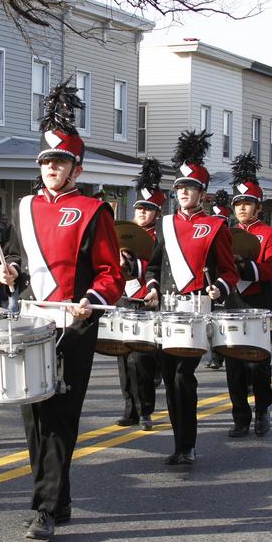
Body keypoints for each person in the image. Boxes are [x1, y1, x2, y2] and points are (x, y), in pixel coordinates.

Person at [0, 82, 123, 542]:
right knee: (33, 416)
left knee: (59, 416)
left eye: (60, 162)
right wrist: (9, 271)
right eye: (47, 162)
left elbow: (111, 272)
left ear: (76, 167)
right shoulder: (25, 206)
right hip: (32, 321)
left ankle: (45, 508)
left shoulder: (94, 211)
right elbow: (16, 258)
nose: (52, 168)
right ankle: (60, 499)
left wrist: (92, 300)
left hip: (75, 324)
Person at [144, 130, 238, 462]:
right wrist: (152, 287)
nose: (184, 193)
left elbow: (229, 271)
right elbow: (154, 267)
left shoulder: (216, 226)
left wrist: (219, 288)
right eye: (180, 188)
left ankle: (188, 443)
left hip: (197, 308)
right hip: (168, 310)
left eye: (190, 188)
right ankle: (179, 442)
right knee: (169, 377)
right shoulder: (163, 224)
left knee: (184, 375)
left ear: (202, 193)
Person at [226, 153, 272, 437]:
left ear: (258, 207)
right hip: (233, 301)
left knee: (258, 362)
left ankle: (262, 410)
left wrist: (246, 267)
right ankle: (240, 416)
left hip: (260, 302)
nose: (242, 208)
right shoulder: (226, 233)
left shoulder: (270, 234)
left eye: (248, 203)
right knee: (234, 362)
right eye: (238, 204)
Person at [114, 157, 164, 431]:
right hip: (124, 300)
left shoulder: (161, 237)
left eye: (147, 209)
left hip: (147, 300)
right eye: (139, 209)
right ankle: (129, 407)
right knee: (123, 356)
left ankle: (146, 410)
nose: (142, 213)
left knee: (140, 359)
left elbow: (158, 267)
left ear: (156, 212)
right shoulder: (123, 234)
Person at [204, 189, 233, 370]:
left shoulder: (229, 236)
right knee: (212, 321)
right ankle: (215, 356)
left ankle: (221, 354)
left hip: (226, 284)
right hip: (210, 282)